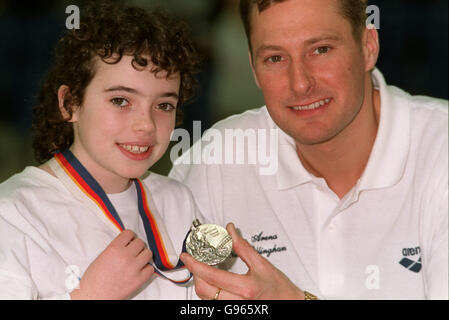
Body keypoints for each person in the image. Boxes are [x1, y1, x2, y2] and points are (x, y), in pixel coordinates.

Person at [170, 0, 448, 299]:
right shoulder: (217, 161)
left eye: (321, 50)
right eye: (275, 58)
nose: (300, 83)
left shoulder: (439, 147)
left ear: (368, 45)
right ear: (253, 67)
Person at [0, 1, 202, 299]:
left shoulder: (176, 200)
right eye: (121, 100)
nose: (146, 125)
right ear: (70, 104)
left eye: (163, 105)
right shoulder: (14, 213)